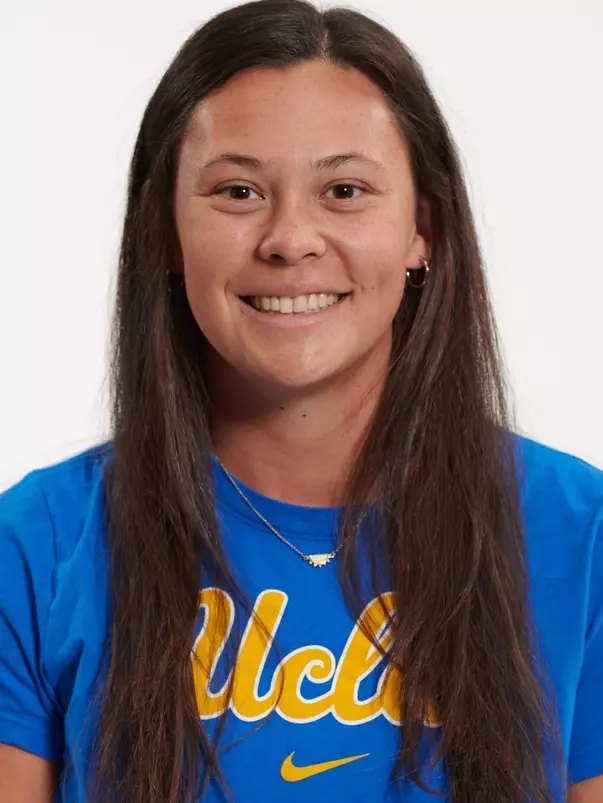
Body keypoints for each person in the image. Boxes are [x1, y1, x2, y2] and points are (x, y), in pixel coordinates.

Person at [1, 0, 602, 801]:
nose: (290, 238)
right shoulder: (36, 544)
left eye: (345, 189)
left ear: (421, 228)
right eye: (238, 191)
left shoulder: (579, 533)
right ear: (166, 232)